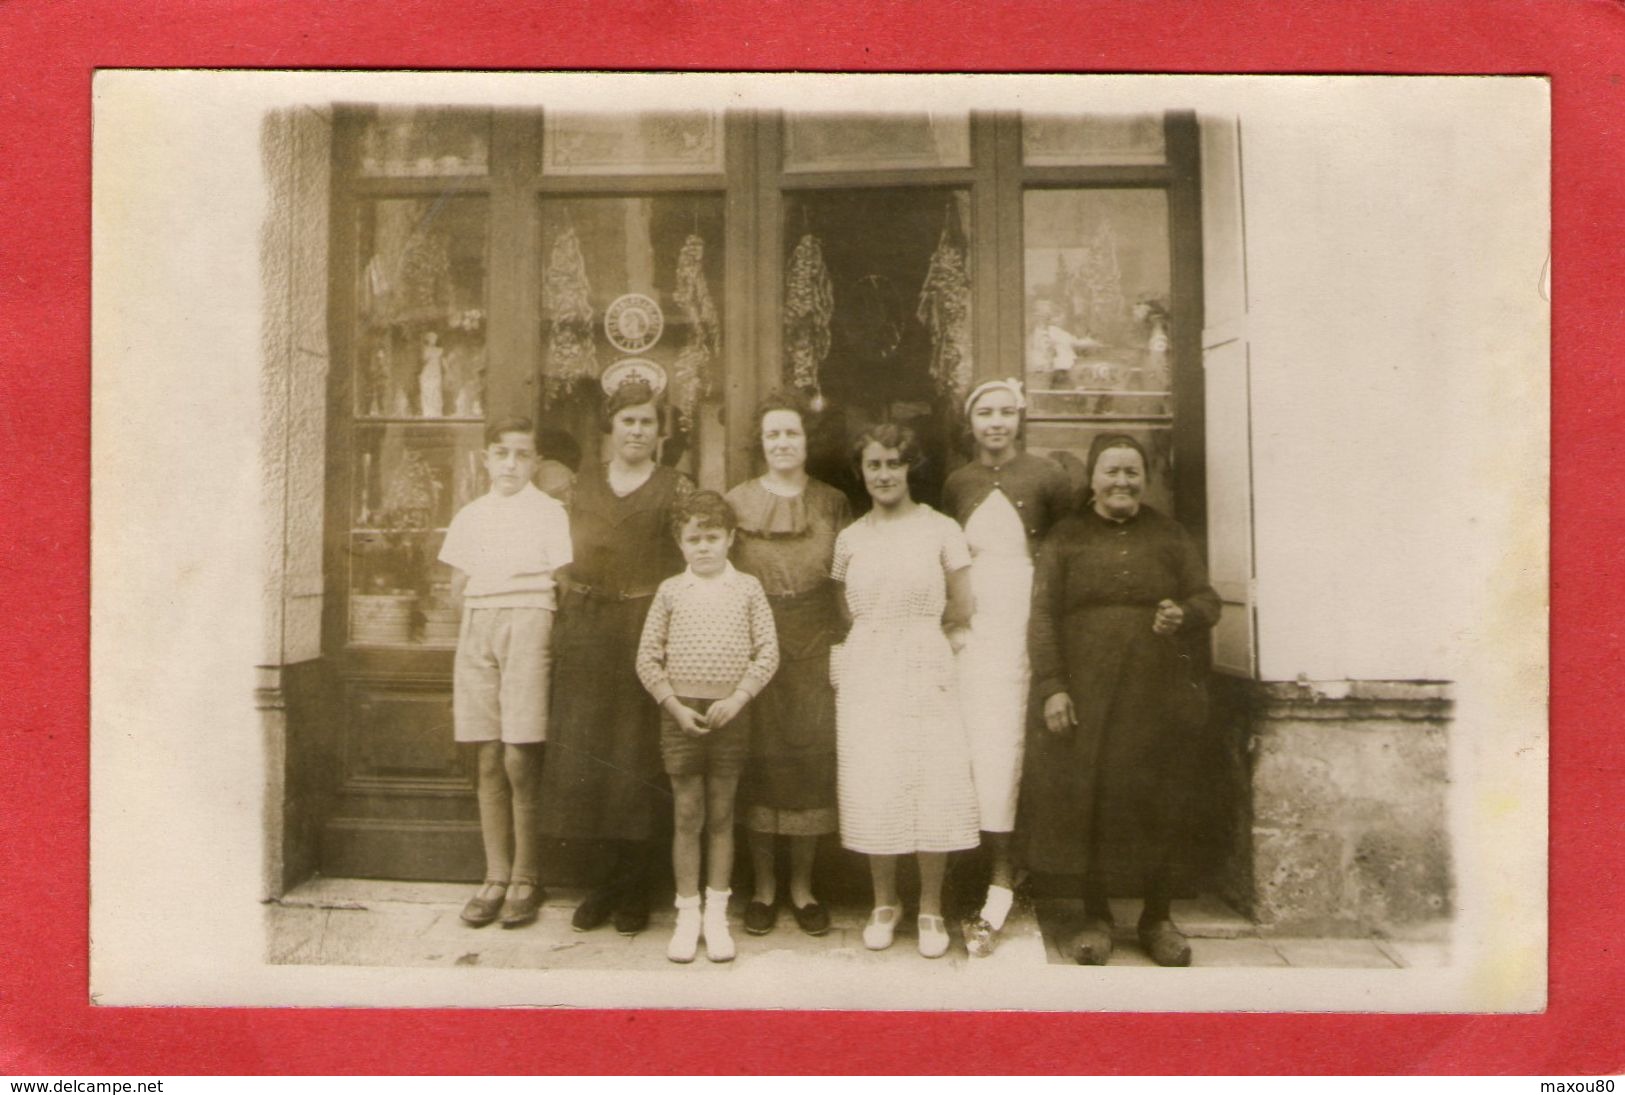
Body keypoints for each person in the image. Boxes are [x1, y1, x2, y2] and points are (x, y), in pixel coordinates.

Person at [1023, 433, 1221, 966]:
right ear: (1092, 479)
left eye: (1132, 471)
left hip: (1157, 694)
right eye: (1111, 471)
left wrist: (1185, 614)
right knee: (1090, 798)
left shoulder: (1169, 534)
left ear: (1145, 479)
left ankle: (1158, 918)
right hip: (1087, 694)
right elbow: (1041, 617)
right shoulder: (1066, 537)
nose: (1122, 482)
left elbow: (1208, 599)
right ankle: (1096, 916)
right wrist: (1052, 686)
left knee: (1159, 799)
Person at [539, 379, 692, 937]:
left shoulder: (676, 489)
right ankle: (601, 882)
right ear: (610, 427)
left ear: (660, 431)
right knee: (588, 757)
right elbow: (551, 554)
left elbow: (694, 560)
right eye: (627, 420)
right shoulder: (577, 488)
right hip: (587, 632)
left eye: (647, 422)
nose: (637, 430)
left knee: (637, 759)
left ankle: (637, 887)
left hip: (646, 630)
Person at [830, 423, 980, 959]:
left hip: (926, 662)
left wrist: (917, 637)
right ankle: (884, 903)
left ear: (910, 468)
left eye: (894, 463)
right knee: (878, 781)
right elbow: (845, 608)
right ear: (861, 472)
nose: (885, 474)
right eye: (874, 464)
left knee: (931, 783)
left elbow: (962, 605)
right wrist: (879, 637)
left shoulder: (940, 529)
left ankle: (932, 908)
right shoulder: (849, 539)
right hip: (870, 666)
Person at [941, 378, 1072, 956]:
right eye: (984, 413)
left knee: (1010, 749)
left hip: (1024, 622)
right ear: (969, 423)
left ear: (1021, 419)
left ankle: (1007, 874)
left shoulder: (1046, 478)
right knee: (969, 745)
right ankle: (967, 870)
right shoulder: (958, 483)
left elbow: (1065, 555)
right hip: (973, 628)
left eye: (1005, 413)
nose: (995, 423)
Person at [438, 417, 573, 929]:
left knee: (520, 754)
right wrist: (479, 616)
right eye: (502, 454)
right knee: (488, 755)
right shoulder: (471, 515)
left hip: (529, 620)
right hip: (479, 624)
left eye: (522, 454)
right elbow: (456, 584)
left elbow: (561, 582)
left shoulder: (550, 512)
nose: (511, 464)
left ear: (536, 461)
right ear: (487, 458)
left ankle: (526, 875)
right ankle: (494, 875)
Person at [725, 392, 851, 939]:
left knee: (806, 766)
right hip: (753, 643)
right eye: (773, 434)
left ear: (806, 441)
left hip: (815, 642)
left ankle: (802, 888)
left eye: (792, 434)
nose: (782, 443)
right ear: (762, 442)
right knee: (759, 763)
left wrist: (844, 647)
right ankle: (762, 888)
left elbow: (848, 580)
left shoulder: (833, 503)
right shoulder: (735, 502)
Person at [636, 491, 780, 962]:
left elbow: (768, 652)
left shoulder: (748, 589)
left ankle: (717, 915)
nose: (703, 547)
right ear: (680, 543)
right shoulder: (670, 591)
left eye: (712, 537)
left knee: (721, 816)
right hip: (681, 713)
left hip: (729, 714)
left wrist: (738, 698)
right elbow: (646, 659)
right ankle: (687, 915)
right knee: (687, 815)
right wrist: (675, 707)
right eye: (693, 538)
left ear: (731, 539)